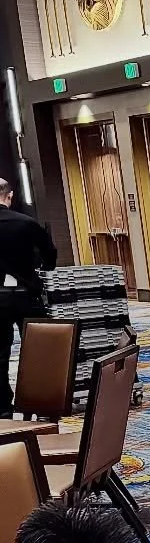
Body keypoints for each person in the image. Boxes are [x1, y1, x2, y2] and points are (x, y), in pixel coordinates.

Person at [0, 178, 57, 415]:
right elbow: (50, 258)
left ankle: (2, 409)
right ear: (9, 196)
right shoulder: (26, 223)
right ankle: (42, 402)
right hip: (26, 295)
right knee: (40, 350)